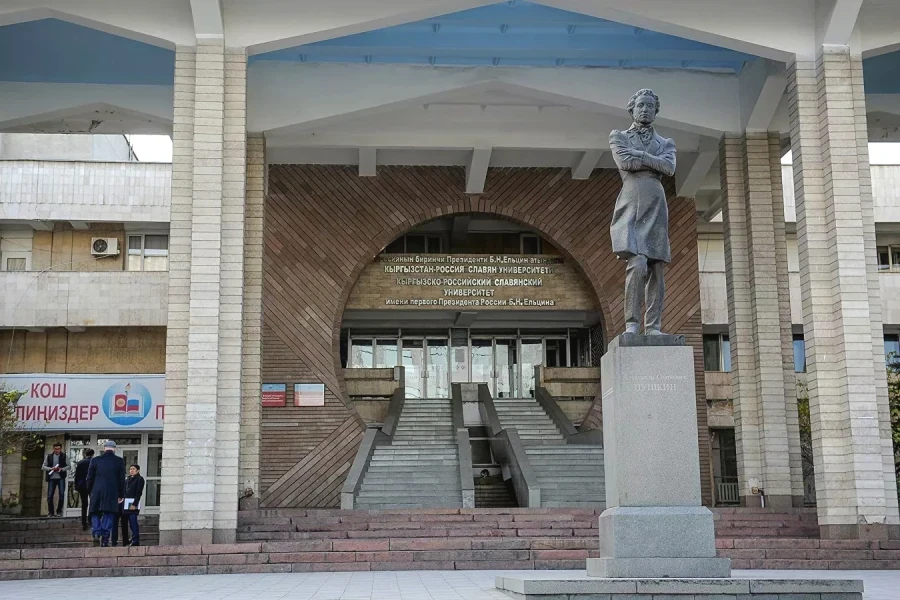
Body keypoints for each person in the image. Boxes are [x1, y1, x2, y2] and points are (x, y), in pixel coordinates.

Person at [609, 88, 677, 335]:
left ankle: (654, 326)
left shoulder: (666, 143)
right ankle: (631, 323)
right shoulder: (619, 136)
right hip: (631, 203)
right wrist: (652, 161)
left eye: (649, 106)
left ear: (655, 111)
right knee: (637, 263)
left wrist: (640, 155)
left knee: (656, 267)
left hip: (656, 204)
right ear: (632, 109)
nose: (645, 110)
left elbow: (669, 168)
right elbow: (625, 162)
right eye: (640, 105)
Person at [87, 440, 125, 547]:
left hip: (96, 490)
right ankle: (105, 538)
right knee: (109, 513)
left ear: (104, 448)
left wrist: (90, 491)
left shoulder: (95, 460)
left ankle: (96, 533)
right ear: (114, 449)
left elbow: (89, 478)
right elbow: (121, 479)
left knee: (95, 512)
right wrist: (121, 494)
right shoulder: (119, 461)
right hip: (112, 491)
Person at [41, 443, 69, 517]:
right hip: (51, 478)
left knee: (61, 495)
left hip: (61, 478)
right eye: (56, 449)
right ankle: (51, 512)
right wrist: (51, 468)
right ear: (53, 449)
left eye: (58, 449)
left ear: (61, 449)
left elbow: (69, 466)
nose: (57, 450)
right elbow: (43, 467)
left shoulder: (64, 456)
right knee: (50, 496)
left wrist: (61, 469)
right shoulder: (49, 456)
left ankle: (59, 511)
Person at [121, 464, 144, 547]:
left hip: (133, 503)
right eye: (130, 469)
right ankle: (126, 540)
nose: (131, 470)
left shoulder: (139, 479)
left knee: (133, 522)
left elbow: (139, 492)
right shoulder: (127, 479)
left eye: (133, 469)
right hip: (125, 503)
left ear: (138, 470)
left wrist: (135, 503)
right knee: (124, 522)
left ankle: (135, 539)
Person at [73, 448, 95, 531]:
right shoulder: (94, 462)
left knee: (84, 503)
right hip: (92, 485)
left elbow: (77, 475)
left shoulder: (81, 462)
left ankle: (84, 523)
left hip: (82, 485)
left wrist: (76, 487)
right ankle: (90, 520)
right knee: (92, 503)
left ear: (85, 454)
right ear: (93, 454)